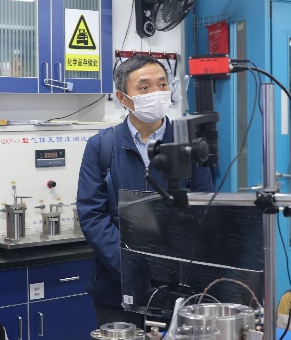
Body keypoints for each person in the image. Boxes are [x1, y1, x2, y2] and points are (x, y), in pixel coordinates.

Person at [77, 54, 215, 326]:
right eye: (144, 87)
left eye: (162, 85)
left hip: (179, 288)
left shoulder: (190, 144)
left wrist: (174, 267)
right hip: (117, 291)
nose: (156, 93)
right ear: (122, 97)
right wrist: (131, 266)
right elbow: (92, 215)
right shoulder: (102, 146)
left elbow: (204, 208)